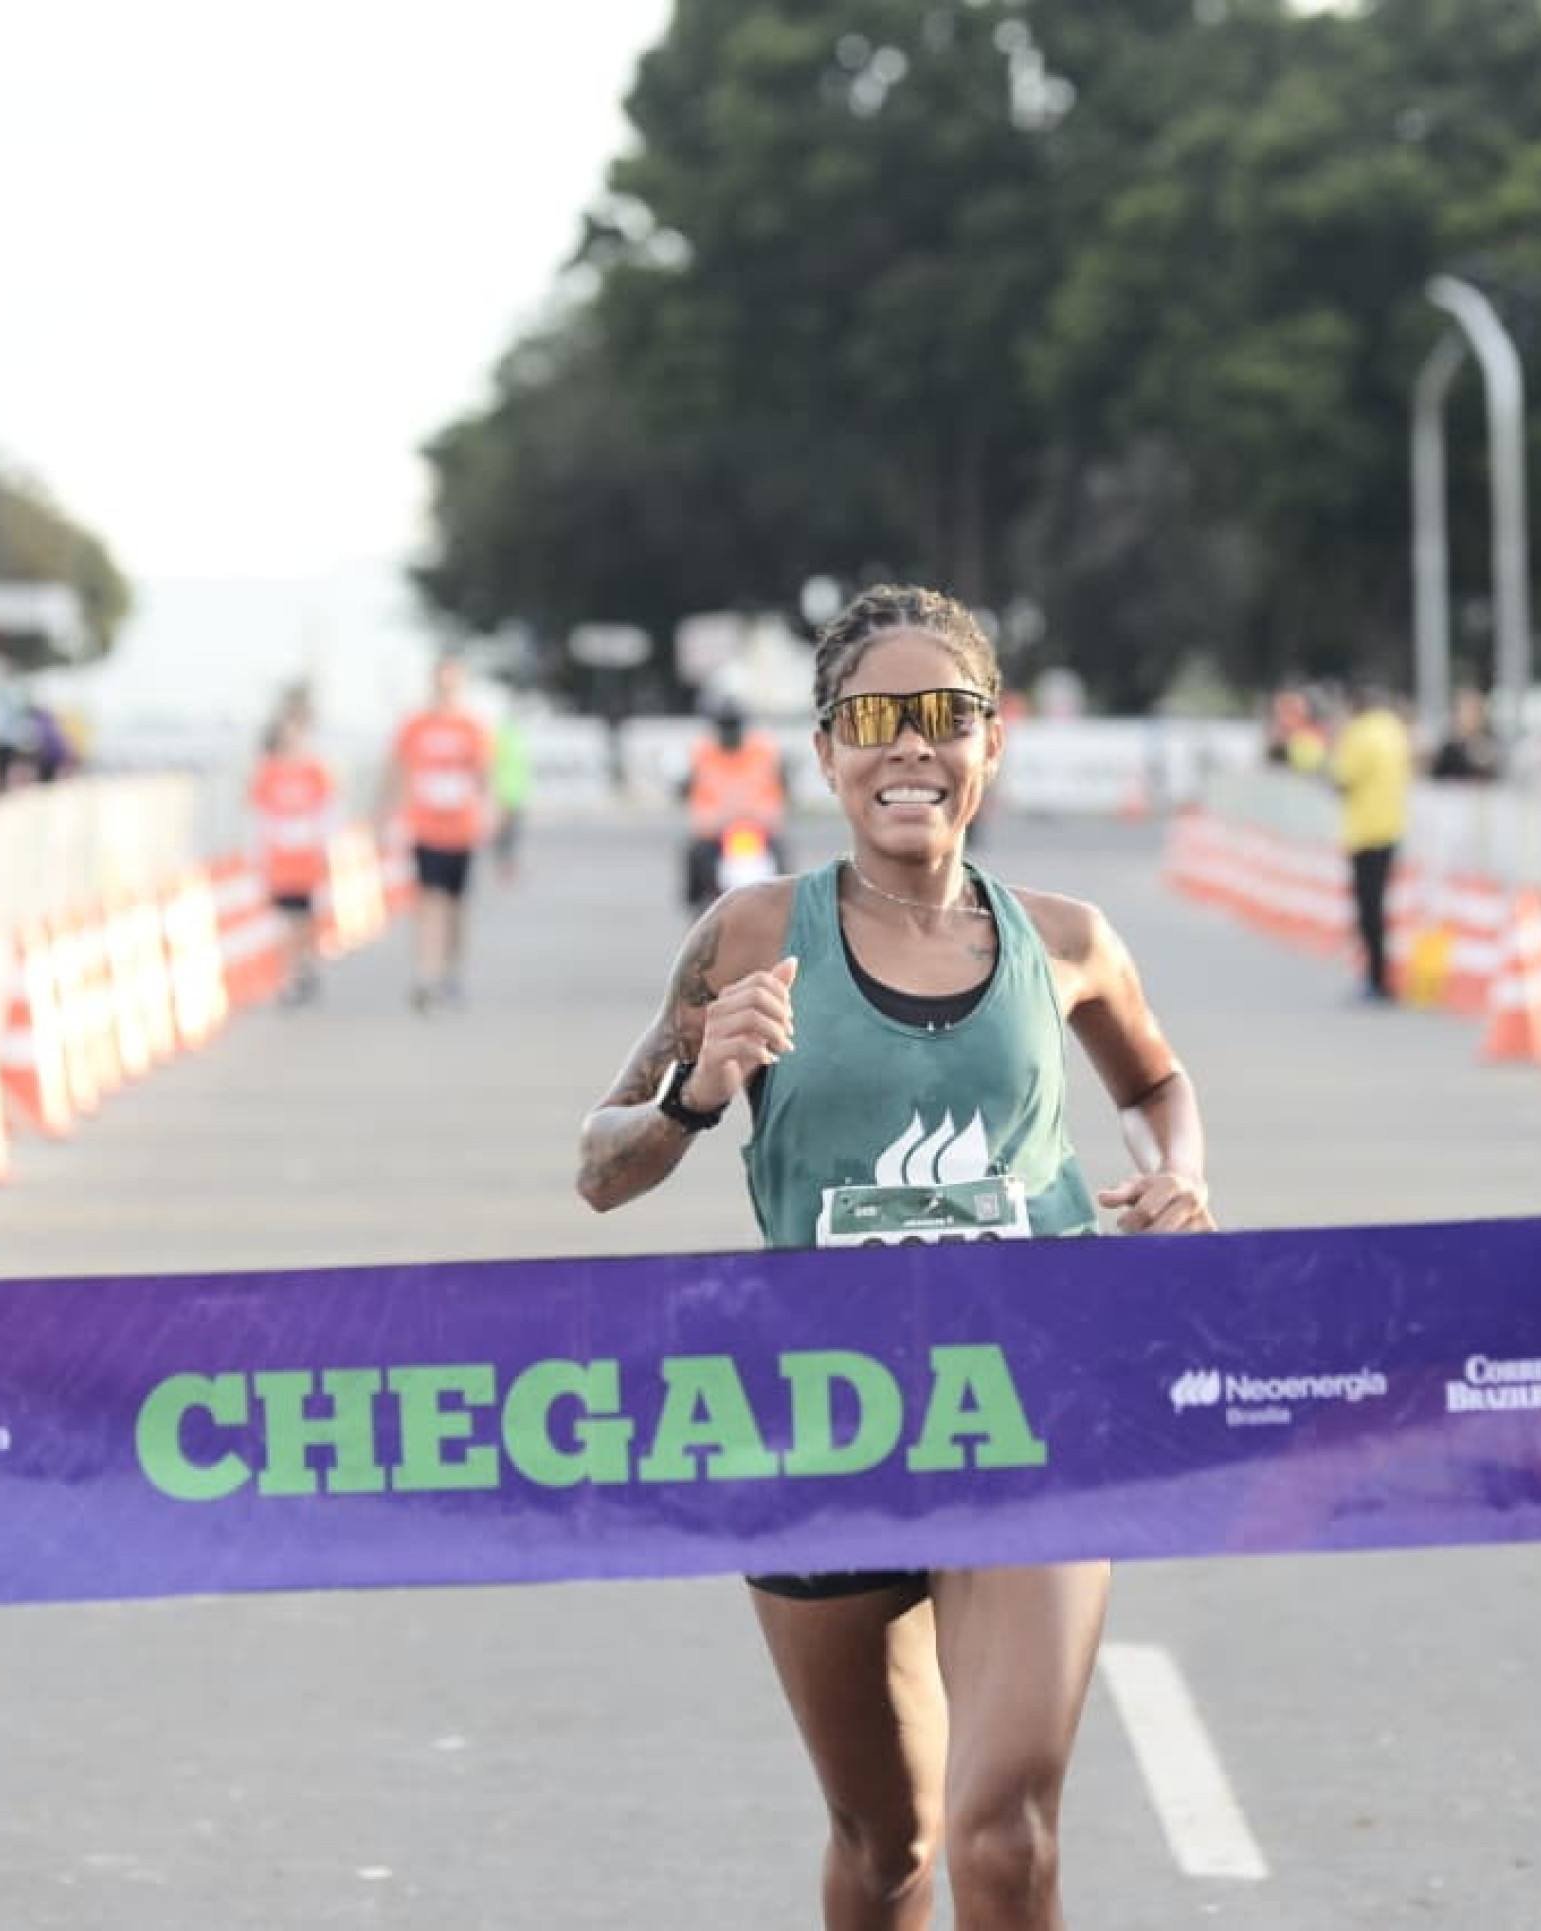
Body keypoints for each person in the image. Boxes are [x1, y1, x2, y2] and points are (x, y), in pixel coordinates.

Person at [573, 584, 1213, 1931]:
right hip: (820, 1420)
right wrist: (693, 1093)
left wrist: (1177, 1173)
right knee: (890, 1848)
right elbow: (598, 1164)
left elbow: (1155, 1083)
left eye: (945, 715)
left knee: (1006, 1835)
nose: (909, 745)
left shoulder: (1068, 940)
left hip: (1026, 1404)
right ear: (825, 750)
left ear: (993, 744)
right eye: (875, 716)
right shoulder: (748, 935)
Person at [380, 658, 495, 1012]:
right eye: (440, 683)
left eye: (451, 684)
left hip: (460, 827)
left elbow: (485, 775)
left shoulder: (472, 727)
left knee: (455, 905)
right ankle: (425, 974)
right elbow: (397, 770)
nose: (445, 690)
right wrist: (387, 817)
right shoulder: (415, 726)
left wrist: (489, 813)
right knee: (428, 900)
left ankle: (452, 971)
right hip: (425, 826)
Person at [1326, 684, 1411, 1004]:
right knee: (1381, 907)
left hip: (1364, 832)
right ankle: (1382, 975)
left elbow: (1342, 779)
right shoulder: (1394, 730)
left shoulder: (1359, 735)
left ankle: (1376, 979)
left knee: (1368, 911)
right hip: (1391, 828)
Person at [248, 707, 334, 1005]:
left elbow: (327, 813)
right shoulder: (267, 773)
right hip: (279, 858)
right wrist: (258, 857)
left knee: (304, 919)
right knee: (284, 920)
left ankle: (305, 966)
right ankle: (288, 977)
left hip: (308, 858)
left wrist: (327, 850)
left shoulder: (316, 771)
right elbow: (258, 817)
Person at [681, 703, 789, 910]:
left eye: (733, 726)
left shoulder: (761, 751)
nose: (729, 733)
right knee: (696, 855)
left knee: (781, 860)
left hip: (758, 828)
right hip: (715, 832)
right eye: (725, 727)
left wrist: (766, 816)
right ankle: (696, 903)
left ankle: (787, 905)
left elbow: (778, 788)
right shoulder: (704, 753)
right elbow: (693, 792)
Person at [490, 710, 534, 885]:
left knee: (510, 833)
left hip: (514, 794)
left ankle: (507, 865)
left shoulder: (511, 739)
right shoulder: (509, 740)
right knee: (506, 833)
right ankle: (505, 865)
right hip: (506, 794)